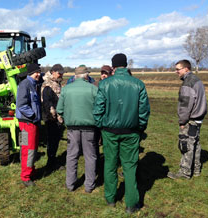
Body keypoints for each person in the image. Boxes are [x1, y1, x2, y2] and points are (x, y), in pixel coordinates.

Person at [93, 53, 150, 214]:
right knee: (130, 166)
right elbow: (144, 111)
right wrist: (140, 128)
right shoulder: (138, 84)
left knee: (110, 164)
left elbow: (98, 109)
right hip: (131, 132)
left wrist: (101, 126)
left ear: (113, 66)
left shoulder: (105, 84)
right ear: (125, 65)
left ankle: (111, 198)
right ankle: (131, 204)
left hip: (110, 131)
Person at [56, 65, 98, 193]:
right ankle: (89, 185)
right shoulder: (93, 89)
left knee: (72, 155)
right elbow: (99, 108)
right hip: (90, 127)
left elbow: (59, 109)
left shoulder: (66, 89)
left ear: (75, 76)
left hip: (72, 128)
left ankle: (70, 184)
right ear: (86, 75)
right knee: (90, 156)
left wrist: (66, 117)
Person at [167, 60, 207, 179]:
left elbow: (185, 106)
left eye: (178, 69)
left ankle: (184, 173)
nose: (176, 71)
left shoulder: (188, 83)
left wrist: (182, 121)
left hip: (191, 119)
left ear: (186, 69)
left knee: (186, 144)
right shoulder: (197, 80)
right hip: (199, 119)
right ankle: (196, 170)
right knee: (195, 144)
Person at [16, 63, 42, 187]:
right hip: (27, 124)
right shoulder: (25, 84)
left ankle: (30, 170)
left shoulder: (33, 84)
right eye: (36, 72)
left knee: (32, 148)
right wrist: (32, 116)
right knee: (28, 149)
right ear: (31, 73)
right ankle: (25, 177)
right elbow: (21, 105)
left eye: (39, 72)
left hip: (32, 123)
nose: (38, 74)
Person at [41, 64, 65, 169]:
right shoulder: (47, 84)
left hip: (57, 118)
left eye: (62, 73)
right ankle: (50, 163)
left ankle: (52, 160)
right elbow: (47, 103)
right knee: (52, 141)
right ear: (53, 72)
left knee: (55, 140)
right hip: (52, 119)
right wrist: (56, 117)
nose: (61, 75)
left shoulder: (56, 83)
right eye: (59, 73)